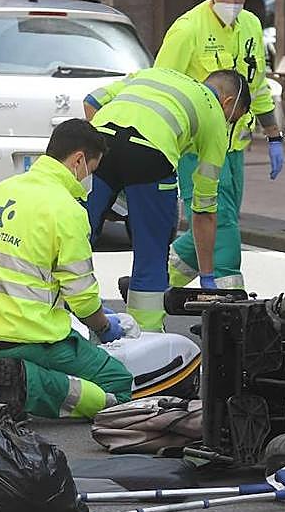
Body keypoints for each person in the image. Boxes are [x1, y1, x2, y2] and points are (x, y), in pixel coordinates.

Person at [0, 119, 133, 420]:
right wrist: (106, 327)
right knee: (118, 386)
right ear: (78, 160)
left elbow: (28, 271)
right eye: (91, 170)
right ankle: (25, 382)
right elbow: (81, 298)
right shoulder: (68, 210)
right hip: (27, 338)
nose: (88, 179)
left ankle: (12, 379)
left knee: (33, 356)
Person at [83, 67, 251, 331]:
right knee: (151, 253)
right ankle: (145, 335)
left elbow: (92, 100)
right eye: (232, 119)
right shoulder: (214, 114)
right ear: (226, 102)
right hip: (151, 157)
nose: (228, 124)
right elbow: (204, 207)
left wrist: (105, 159)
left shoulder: (152, 74)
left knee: (76, 236)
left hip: (99, 142)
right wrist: (207, 276)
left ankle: (66, 321)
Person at [155, 0, 283, 291]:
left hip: (236, 143)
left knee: (219, 219)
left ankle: (156, 280)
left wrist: (274, 136)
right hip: (196, 147)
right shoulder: (187, 30)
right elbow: (161, 88)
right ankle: (229, 297)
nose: (233, 3)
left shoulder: (252, 26)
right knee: (221, 218)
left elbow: (257, 86)